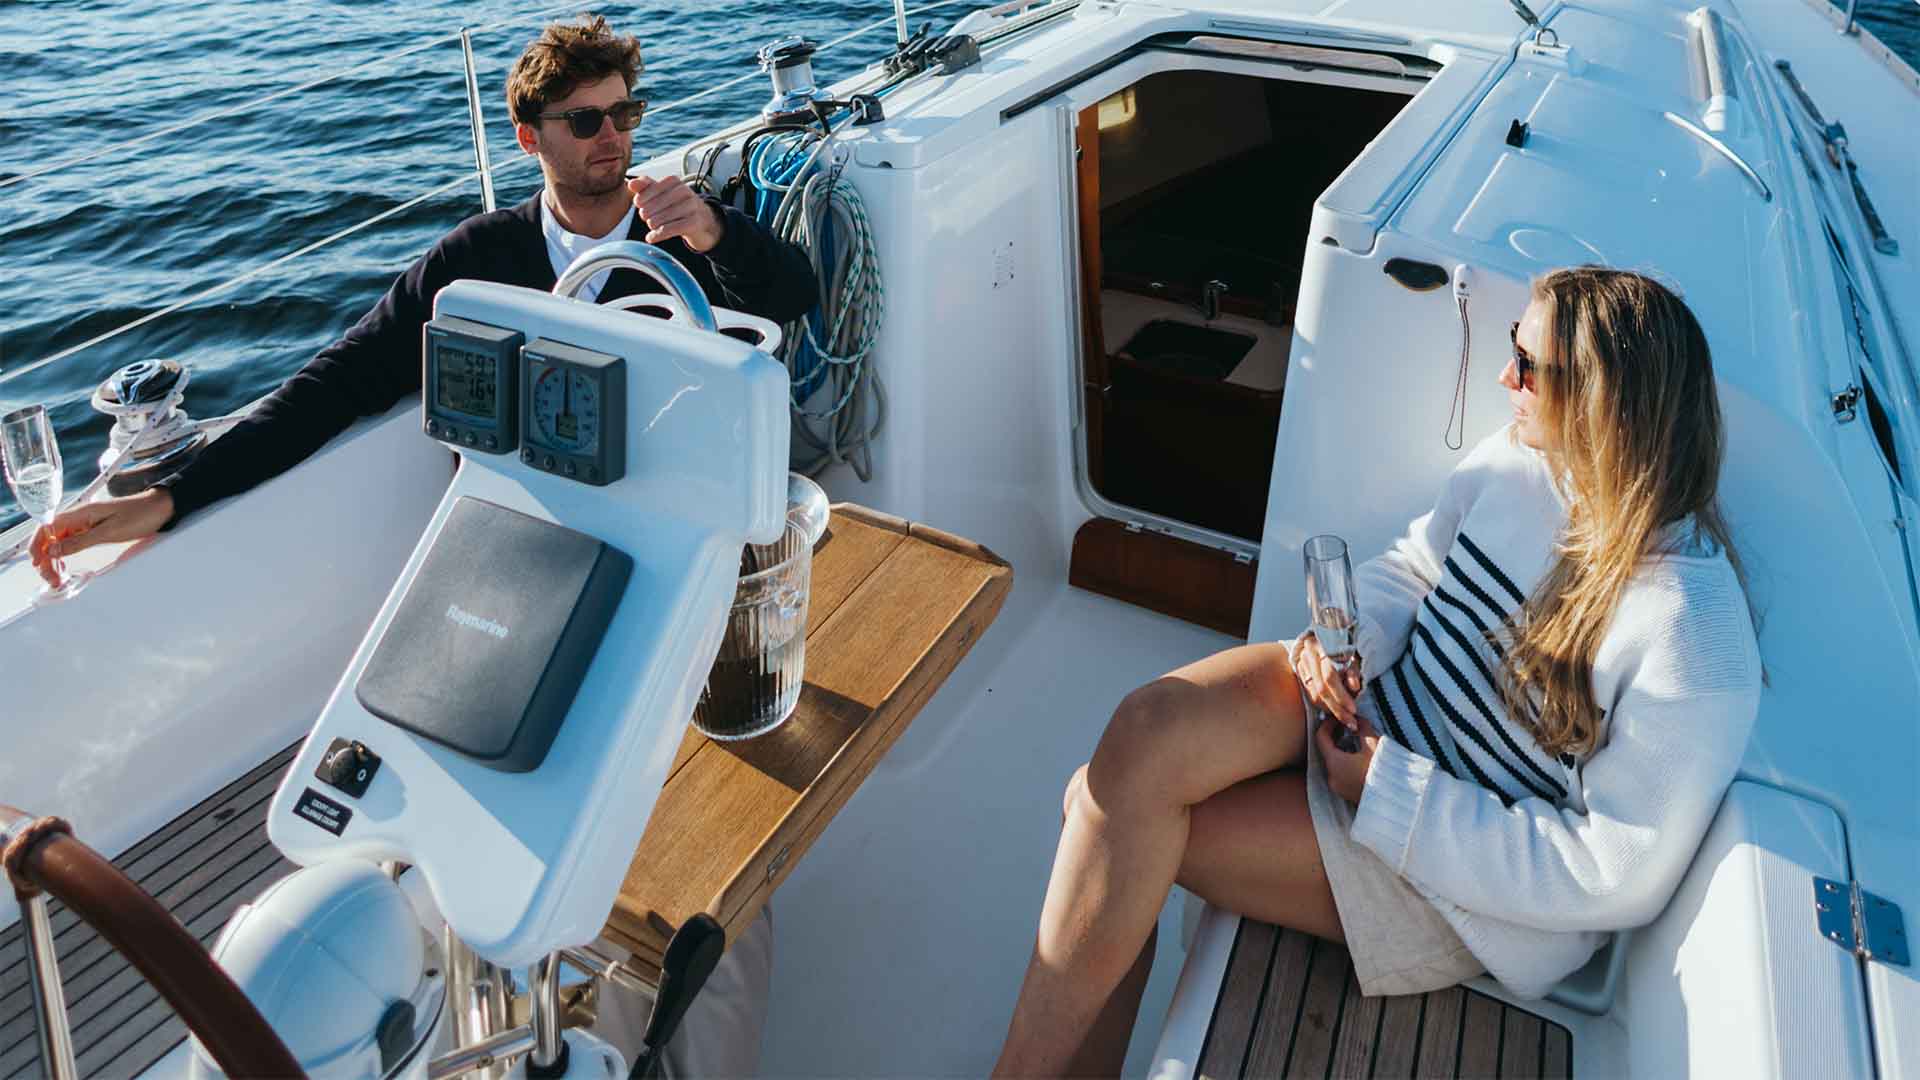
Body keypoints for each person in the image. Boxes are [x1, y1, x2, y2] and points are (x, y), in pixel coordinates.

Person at [992, 267, 1763, 1077]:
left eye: (1529, 366)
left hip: (1452, 885)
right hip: (1369, 718)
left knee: (1106, 814)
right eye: (1513, 349)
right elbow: (1417, 570)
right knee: (1143, 734)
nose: (1507, 377)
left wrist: (1387, 793)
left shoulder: (1690, 631)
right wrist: (1343, 639)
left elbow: (1607, 876)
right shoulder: (1520, 462)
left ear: (1605, 404)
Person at [29, 14, 816, 579]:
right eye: (583, 119)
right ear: (528, 137)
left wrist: (718, 232)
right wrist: (172, 497)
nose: (611, 134)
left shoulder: (683, 226)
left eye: (623, 112)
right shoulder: (474, 259)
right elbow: (340, 381)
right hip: (530, 530)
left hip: (673, 512)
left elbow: (791, 296)